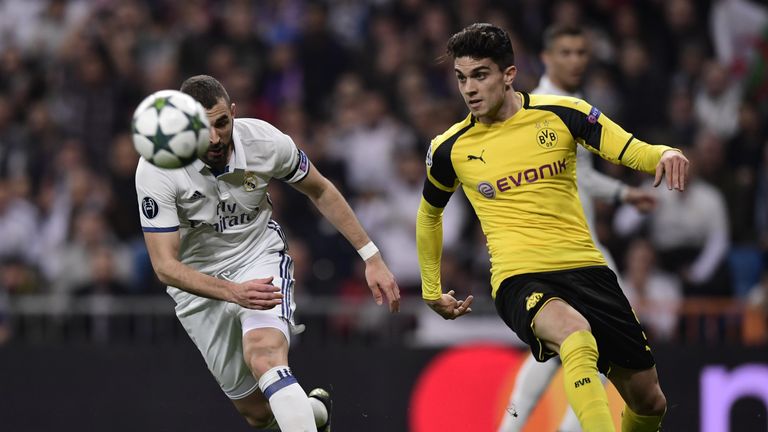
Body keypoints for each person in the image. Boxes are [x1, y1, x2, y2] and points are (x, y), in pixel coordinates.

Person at [417, 24, 689, 432]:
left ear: (509, 74)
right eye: (461, 78)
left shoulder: (563, 114)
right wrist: (431, 287)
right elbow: (429, 215)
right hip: (520, 277)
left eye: (480, 75)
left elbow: (630, 149)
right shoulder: (449, 148)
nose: (469, 89)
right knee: (575, 335)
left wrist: (665, 152)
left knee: (650, 402)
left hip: (587, 269)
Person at [135, 75, 400, 431]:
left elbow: (320, 190)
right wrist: (231, 292)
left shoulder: (264, 141)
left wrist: (372, 256)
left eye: (221, 123)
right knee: (257, 414)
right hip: (196, 283)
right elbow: (165, 266)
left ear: (233, 113)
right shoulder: (158, 167)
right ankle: (315, 414)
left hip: (256, 256)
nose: (214, 138)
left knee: (263, 355)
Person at [500, 25, 657, 432]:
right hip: (564, 250)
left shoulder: (572, 105)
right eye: (566, 52)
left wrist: (622, 194)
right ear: (547, 58)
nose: (576, 60)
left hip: (580, 247)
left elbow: (580, 173)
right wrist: (622, 193)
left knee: (562, 350)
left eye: (582, 52)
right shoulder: (542, 110)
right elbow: (578, 177)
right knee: (600, 347)